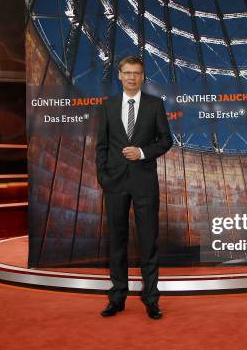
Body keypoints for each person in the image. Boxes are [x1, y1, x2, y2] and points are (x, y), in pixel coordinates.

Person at [95, 56, 172, 320]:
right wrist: (104, 178)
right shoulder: (108, 106)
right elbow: (101, 147)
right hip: (114, 184)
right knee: (117, 242)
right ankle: (117, 297)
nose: (131, 77)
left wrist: (141, 152)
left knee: (148, 242)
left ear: (142, 76)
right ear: (119, 75)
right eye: (127, 72)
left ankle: (151, 299)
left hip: (144, 183)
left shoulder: (155, 105)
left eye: (136, 73)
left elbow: (165, 141)